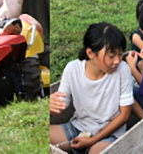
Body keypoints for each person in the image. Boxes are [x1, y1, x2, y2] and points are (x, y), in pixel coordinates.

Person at [49, 23, 134, 152]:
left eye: (120, 54)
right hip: (78, 128)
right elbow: (60, 106)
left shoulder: (122, 70)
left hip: (110, 134)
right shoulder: (72, 69)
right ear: (90, 53)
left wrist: (92, 140)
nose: (117, 60)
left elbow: (124, 115)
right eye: (111, 56)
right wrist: (51, 104)